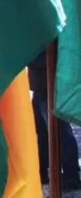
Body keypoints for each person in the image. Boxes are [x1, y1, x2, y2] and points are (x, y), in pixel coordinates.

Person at [29, 50, 81, 190]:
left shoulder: (47, 33)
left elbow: (48, 56)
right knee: (43, 133)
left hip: (50, 86)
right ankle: (42, 172)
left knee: (59, 132)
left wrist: (26, 55)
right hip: (41, 86)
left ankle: (71, 176)